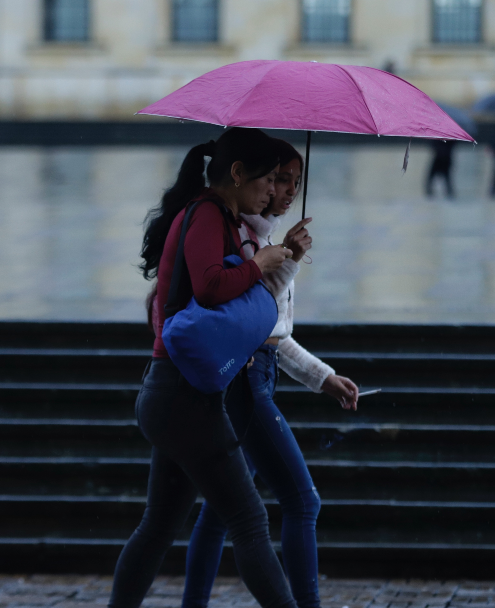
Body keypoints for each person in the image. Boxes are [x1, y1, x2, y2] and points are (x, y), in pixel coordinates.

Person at [110, 127, 298, 608]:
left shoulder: (222, 217)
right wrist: (260, 264)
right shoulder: (208, 214)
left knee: (158, 525)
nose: (271, 191)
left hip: (175, 395)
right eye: (268, 179)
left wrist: (276, 259)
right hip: (182, 397)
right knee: (249, 521)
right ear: (237, 173)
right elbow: (211, 287)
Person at [182, 139, 360, 608]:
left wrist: (323, 377)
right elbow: (256, 317)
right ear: (250, 177)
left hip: (258, 374)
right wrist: (288, 259)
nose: (285, 191)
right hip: (247, 381)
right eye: (279, 179)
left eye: (295, 182)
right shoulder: (247, 238)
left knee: (220, 512)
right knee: (302, 501)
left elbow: (277, 335)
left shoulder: (268, 237)